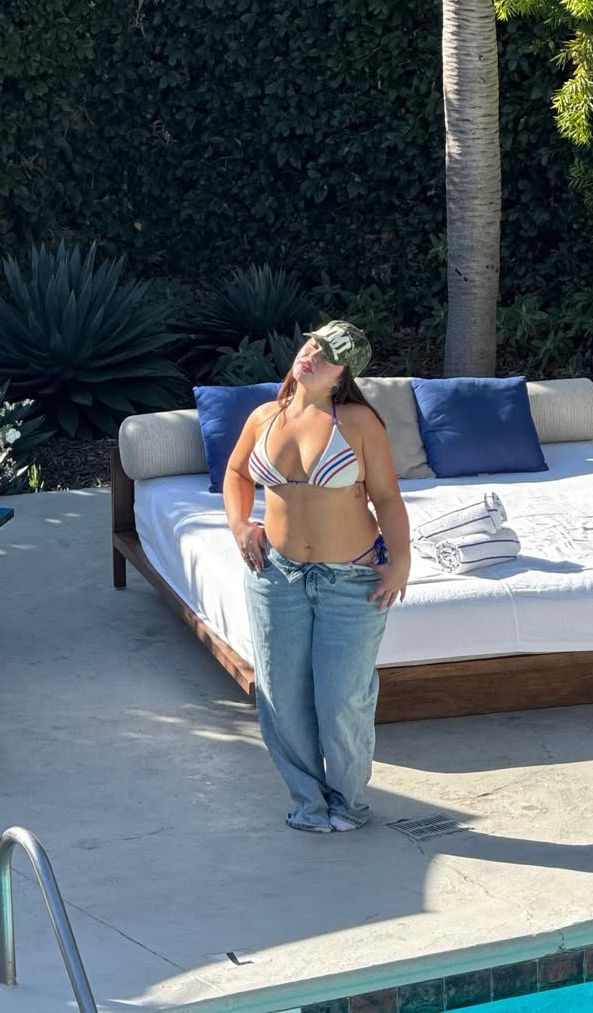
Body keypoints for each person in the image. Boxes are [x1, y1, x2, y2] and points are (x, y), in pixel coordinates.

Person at [223, 320, 411, 833]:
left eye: (328, 355)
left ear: (342, 375)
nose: (312, 355)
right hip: (275, 576)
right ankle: (307, 802)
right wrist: (240, 525)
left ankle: (347, 803)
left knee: (343, 699)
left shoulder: (358, 422)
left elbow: (387, 497)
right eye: (312, 344)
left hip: (350, 581)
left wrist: (401, 560)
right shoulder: (265, 417)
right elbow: (237, 473)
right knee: (280, 699)